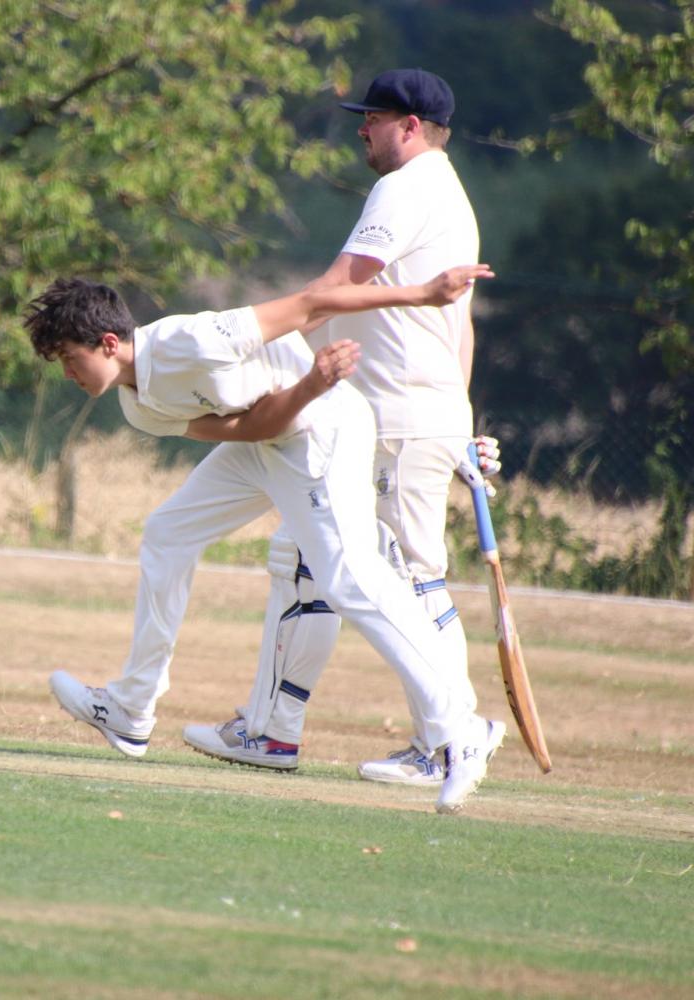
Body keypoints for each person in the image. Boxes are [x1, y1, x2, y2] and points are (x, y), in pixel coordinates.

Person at [24, 262, 503, 814]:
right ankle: (132, 709)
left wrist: (423, 293)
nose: (67, 374)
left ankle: (458, 729)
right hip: (273, 435)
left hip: (324, 425)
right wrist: (301, 387)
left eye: (68, 359)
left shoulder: (192, 339)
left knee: (349, 580)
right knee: (167, 533)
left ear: (109, 343)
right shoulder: (139, 406)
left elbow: (306, 305)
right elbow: (253, 429)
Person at [182, 68, 504, 789]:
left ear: (411, 126)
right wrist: (458, 418)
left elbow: (336, 288)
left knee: (410, 580)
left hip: (394, 417)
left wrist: (242, 335)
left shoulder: (406, 187)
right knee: (301, 556)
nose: (362, 128)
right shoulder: (447, 193)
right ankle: (270, 731)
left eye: (375, 117)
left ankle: (452, 739)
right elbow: (459, 329)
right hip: (401, 415)